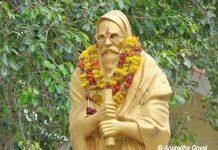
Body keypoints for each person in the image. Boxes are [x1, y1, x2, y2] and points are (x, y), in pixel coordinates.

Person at [69, 10, 172, 150]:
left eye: (114, 36)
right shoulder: (83, 72)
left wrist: (121, 127)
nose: (107, 42)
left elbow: (160, 129)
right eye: (101, 37)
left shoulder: (147, 69)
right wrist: (97, 118)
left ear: (126, 37)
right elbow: (75, 129)